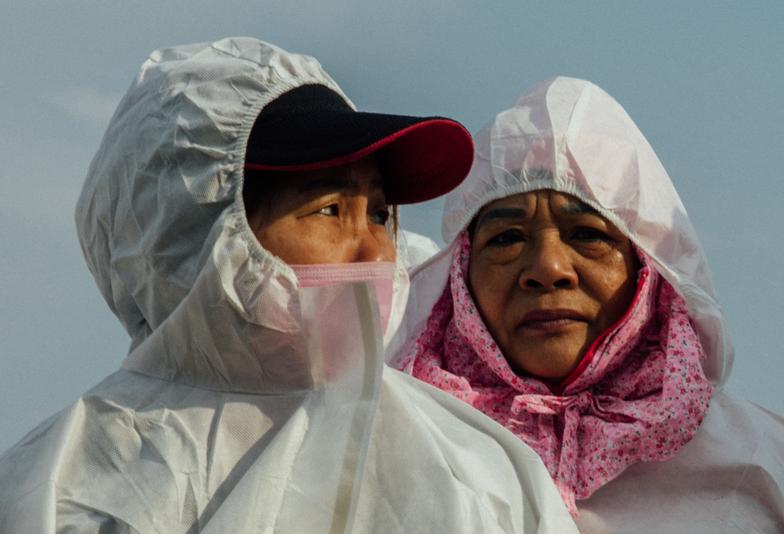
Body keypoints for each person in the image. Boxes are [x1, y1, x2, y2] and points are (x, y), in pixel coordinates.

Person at [0, 38, 579, 532]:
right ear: (199, 233)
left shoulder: (478, 468)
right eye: (329, 210)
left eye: (378, 213)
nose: (372, 249)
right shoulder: (61, 483)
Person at [390, 77, 784, 532]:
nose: (547, 269)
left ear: (649, 268)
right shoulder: (395, 442)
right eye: (506, 239)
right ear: (461, 273)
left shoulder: (769, 469)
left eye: (587, 234)